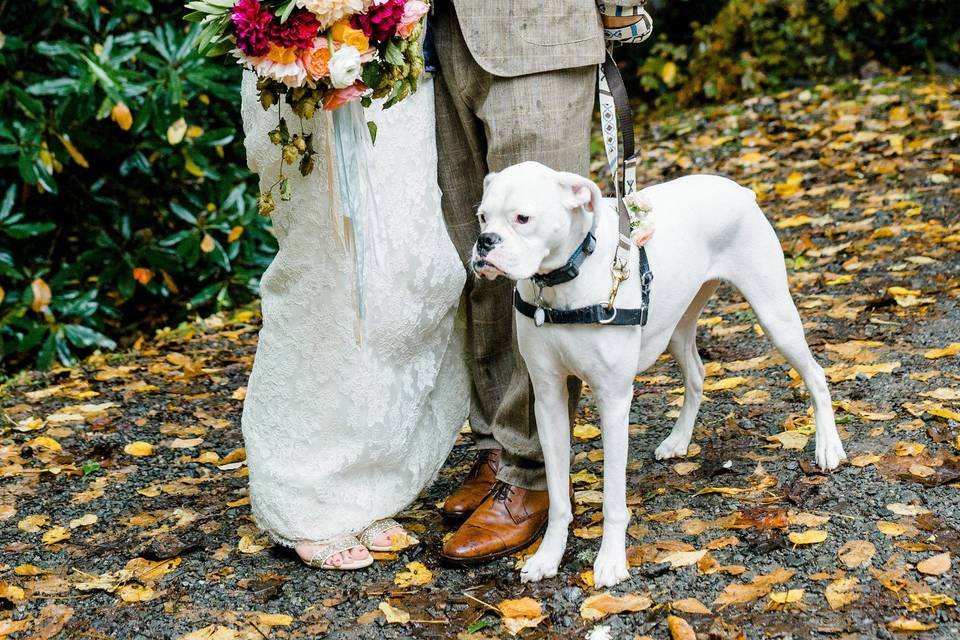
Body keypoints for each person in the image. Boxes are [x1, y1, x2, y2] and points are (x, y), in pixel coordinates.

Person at [432, 0, 652, 564]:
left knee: (543, 257)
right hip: (440, 34)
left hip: (539, 30)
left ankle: (530, 472)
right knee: (483, 260)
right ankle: (495, 447)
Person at [238, 63, 470, 569]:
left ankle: (368, 486)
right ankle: (305, 496)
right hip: (303, 78)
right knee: (327, 279)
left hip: (403, 79)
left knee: (403, 280)